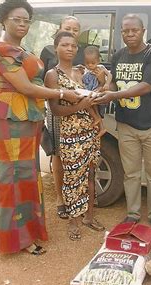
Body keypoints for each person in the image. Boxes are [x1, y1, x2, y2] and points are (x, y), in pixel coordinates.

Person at [0, 0, 82, 255]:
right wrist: (62, 92)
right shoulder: (2, 50)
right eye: (17, 19)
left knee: (23, 173)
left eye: (26, 20)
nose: (22, 24)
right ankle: (17, 239)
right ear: (3, 20)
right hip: (9, 119)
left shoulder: (20, 48)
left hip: (27, 117)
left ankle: (17, 231)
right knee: (13, 176)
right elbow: (25, 87)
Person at [94, 14, 151, 232]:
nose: (129, 34)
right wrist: (105, 90)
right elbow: (115, 85)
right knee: (131, 173)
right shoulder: (118, 56)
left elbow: (146, 86)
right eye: (125, 31)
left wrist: (112, 96)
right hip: (126, 124)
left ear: (142, 31)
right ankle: (133, 213)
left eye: (133, 30)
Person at [45, 31, 105, 241]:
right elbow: (56, 110)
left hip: (90, 130)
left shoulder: (82, 72)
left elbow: (100, 87)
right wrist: (82, 105)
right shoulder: (53, 75)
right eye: (65, 45)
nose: (70, 48)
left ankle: (89, 217)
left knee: (90, 175)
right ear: (56, 48)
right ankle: (73, 221)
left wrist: (97, 93)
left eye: (73, 45)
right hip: (70, 133)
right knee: (72, 178)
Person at [39, 16, 84, 220]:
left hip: (78, 112)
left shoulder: (79, 53)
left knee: (78, 156)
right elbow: (42, 83)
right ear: (59, 30)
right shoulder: (48, 52)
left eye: (76, 30)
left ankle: (77, 197)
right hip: (57, 110)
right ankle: (60, 198)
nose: (72, 33)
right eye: (68, 28)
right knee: (58, 154)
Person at [82, 45, 111, 136]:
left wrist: (107, 84)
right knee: (89, 103)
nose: (90, 65)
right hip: (89, 92)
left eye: (93, 63)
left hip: (98, 90)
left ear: (98, 61)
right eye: (87, 63)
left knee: (90, 102)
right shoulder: (85, 70)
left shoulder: (101, 68)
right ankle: (100, 124)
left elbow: (109, 75)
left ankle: (97, 119)